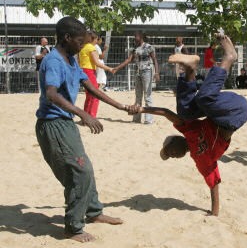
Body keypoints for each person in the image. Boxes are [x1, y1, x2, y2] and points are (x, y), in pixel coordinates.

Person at [128, 34, 247, 216]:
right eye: (171, 156)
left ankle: (199, 67)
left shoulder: (189, 130)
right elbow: (214, 183)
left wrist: (142, 109)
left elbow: (167, 113)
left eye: (169, 150)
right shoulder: (200, 160)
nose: (173, 155)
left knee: (185, 110)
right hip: (234, 114)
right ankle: (221, 61)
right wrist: (214, 212)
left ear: (176, 140)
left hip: (222, 106)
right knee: (203, 99)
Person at [35, 17, 126, 243]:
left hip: (65, 124)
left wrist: (121, 106)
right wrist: (83, 114)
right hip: (53, 125)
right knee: (79, 171)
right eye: (79, 41)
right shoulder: (54, 61)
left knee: (85, 167)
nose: (83, 45)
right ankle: (73, 227)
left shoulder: (72, 59)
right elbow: (51, 94)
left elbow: (90, 87)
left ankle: (93, 212)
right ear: (67, 38)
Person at [114, 31, 160, 124]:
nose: (134, 38)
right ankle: (136, 119)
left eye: (136, 36)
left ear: (141, 37)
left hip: (147, 72)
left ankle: (149, 119)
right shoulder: (134, 48)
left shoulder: (149, 47)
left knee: (148, 95)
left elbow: (154, 59)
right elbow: (128, 60)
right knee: (138, 96)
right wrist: (116, 68)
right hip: (137, 73)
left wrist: (157, 73)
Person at [79, 31, 114, 118]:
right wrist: (109, 68)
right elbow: (97, 63)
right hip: (90, 72)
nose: (97, 40)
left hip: (83, 71)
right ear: (92, 39)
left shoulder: (82, 47)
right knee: (95, 95)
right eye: (96, 39)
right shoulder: (91, 47)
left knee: (88, 96)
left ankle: (85, 117)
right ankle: (92, 116)